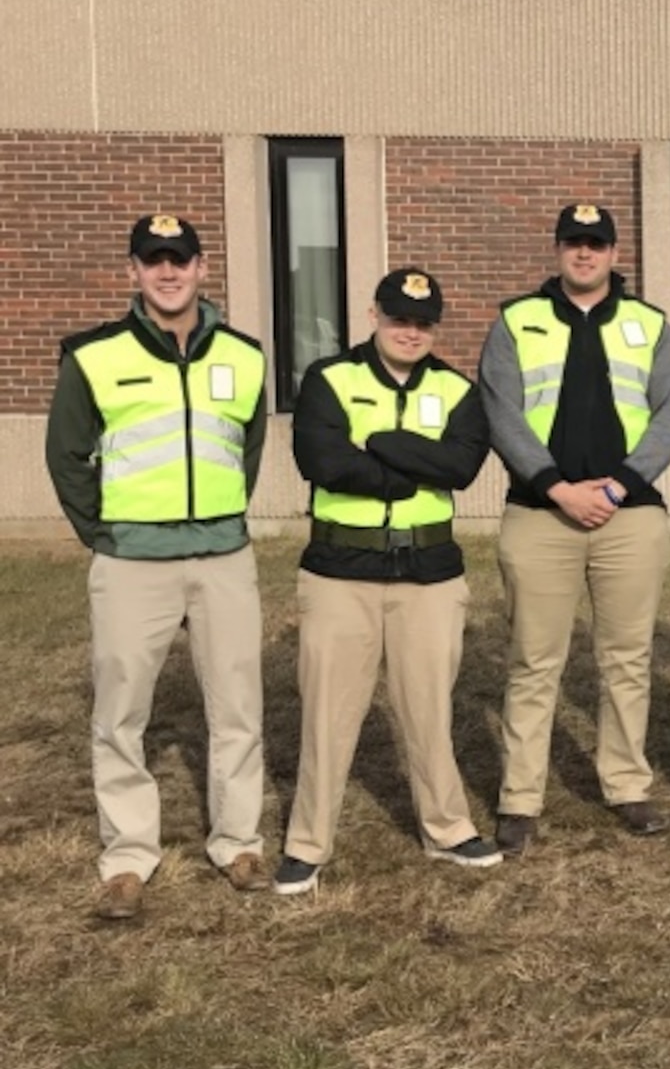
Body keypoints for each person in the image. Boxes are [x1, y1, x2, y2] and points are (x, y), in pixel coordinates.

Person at [46, 213, 270, 919]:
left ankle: (237, 841)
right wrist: (105, 533)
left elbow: (247, 451)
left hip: (223, 556)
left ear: (204, 268)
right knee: (121, 711)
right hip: (132, 560)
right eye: (154, 260)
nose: (168, 272)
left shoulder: (246, 355)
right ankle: (127, 858)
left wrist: (220, 518)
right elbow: (67, 457)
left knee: (238, 703)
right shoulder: (93, 356)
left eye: (180, 259)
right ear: (133, 273)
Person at [272, 269, 500, 895]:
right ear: (373, 315)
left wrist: (378, 439)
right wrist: (408, 470)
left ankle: (447, 829)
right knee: (327, 713)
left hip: (428, 576)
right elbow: (322, 461)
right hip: (341, 573)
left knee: (429, 709)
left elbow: (460, 465)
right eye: (399, 318)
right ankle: (307, 844)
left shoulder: (457, 391)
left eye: (423, 322)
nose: (410, 331)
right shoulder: (330, 379)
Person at [479, 204, 670, 857]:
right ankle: (520, 799)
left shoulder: (649, 325)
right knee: (534, 661)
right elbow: (501, 410)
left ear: (612, 252)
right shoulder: (517, 321)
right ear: (557, 249)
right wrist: (557, 487)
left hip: (629, 517)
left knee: (625, 659)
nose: (584, 253)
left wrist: (619, 483)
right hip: (540, 515)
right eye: (573, 242)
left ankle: (626, 784)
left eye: (595, 244)